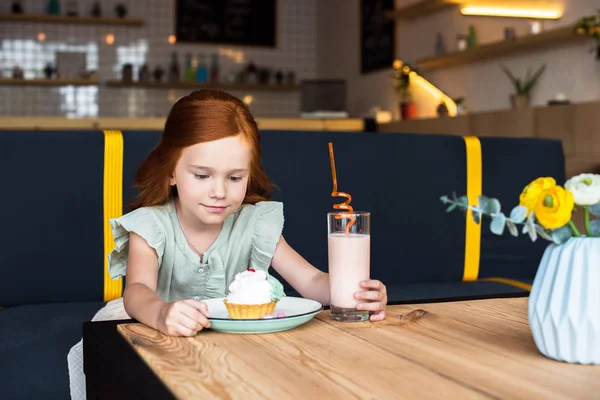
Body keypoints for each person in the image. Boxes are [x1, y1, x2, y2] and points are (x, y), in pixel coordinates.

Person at [67, 89, 388, 399]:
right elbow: (136, 291)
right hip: (155, 333)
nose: (219, 191)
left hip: (230, 343)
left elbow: (311, 281)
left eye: (235, 178)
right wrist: (162, 312)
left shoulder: (254, 223)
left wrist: (354, 293)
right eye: (202, 175)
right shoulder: (151, 225)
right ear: (171, 172)